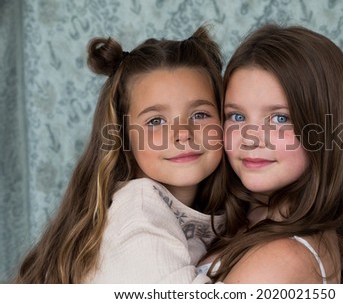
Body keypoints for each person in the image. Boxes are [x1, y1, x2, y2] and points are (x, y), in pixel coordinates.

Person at [13, 26, 226, 283]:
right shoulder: (140, 214)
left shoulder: (188, 211)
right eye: (156, 120)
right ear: (123, 136)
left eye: (199, 115)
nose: (182, 133)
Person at [200, 24, 343, 283]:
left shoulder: (280, 261)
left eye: (279, 118)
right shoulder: (248, 218)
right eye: (236, 116)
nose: (250, 138)